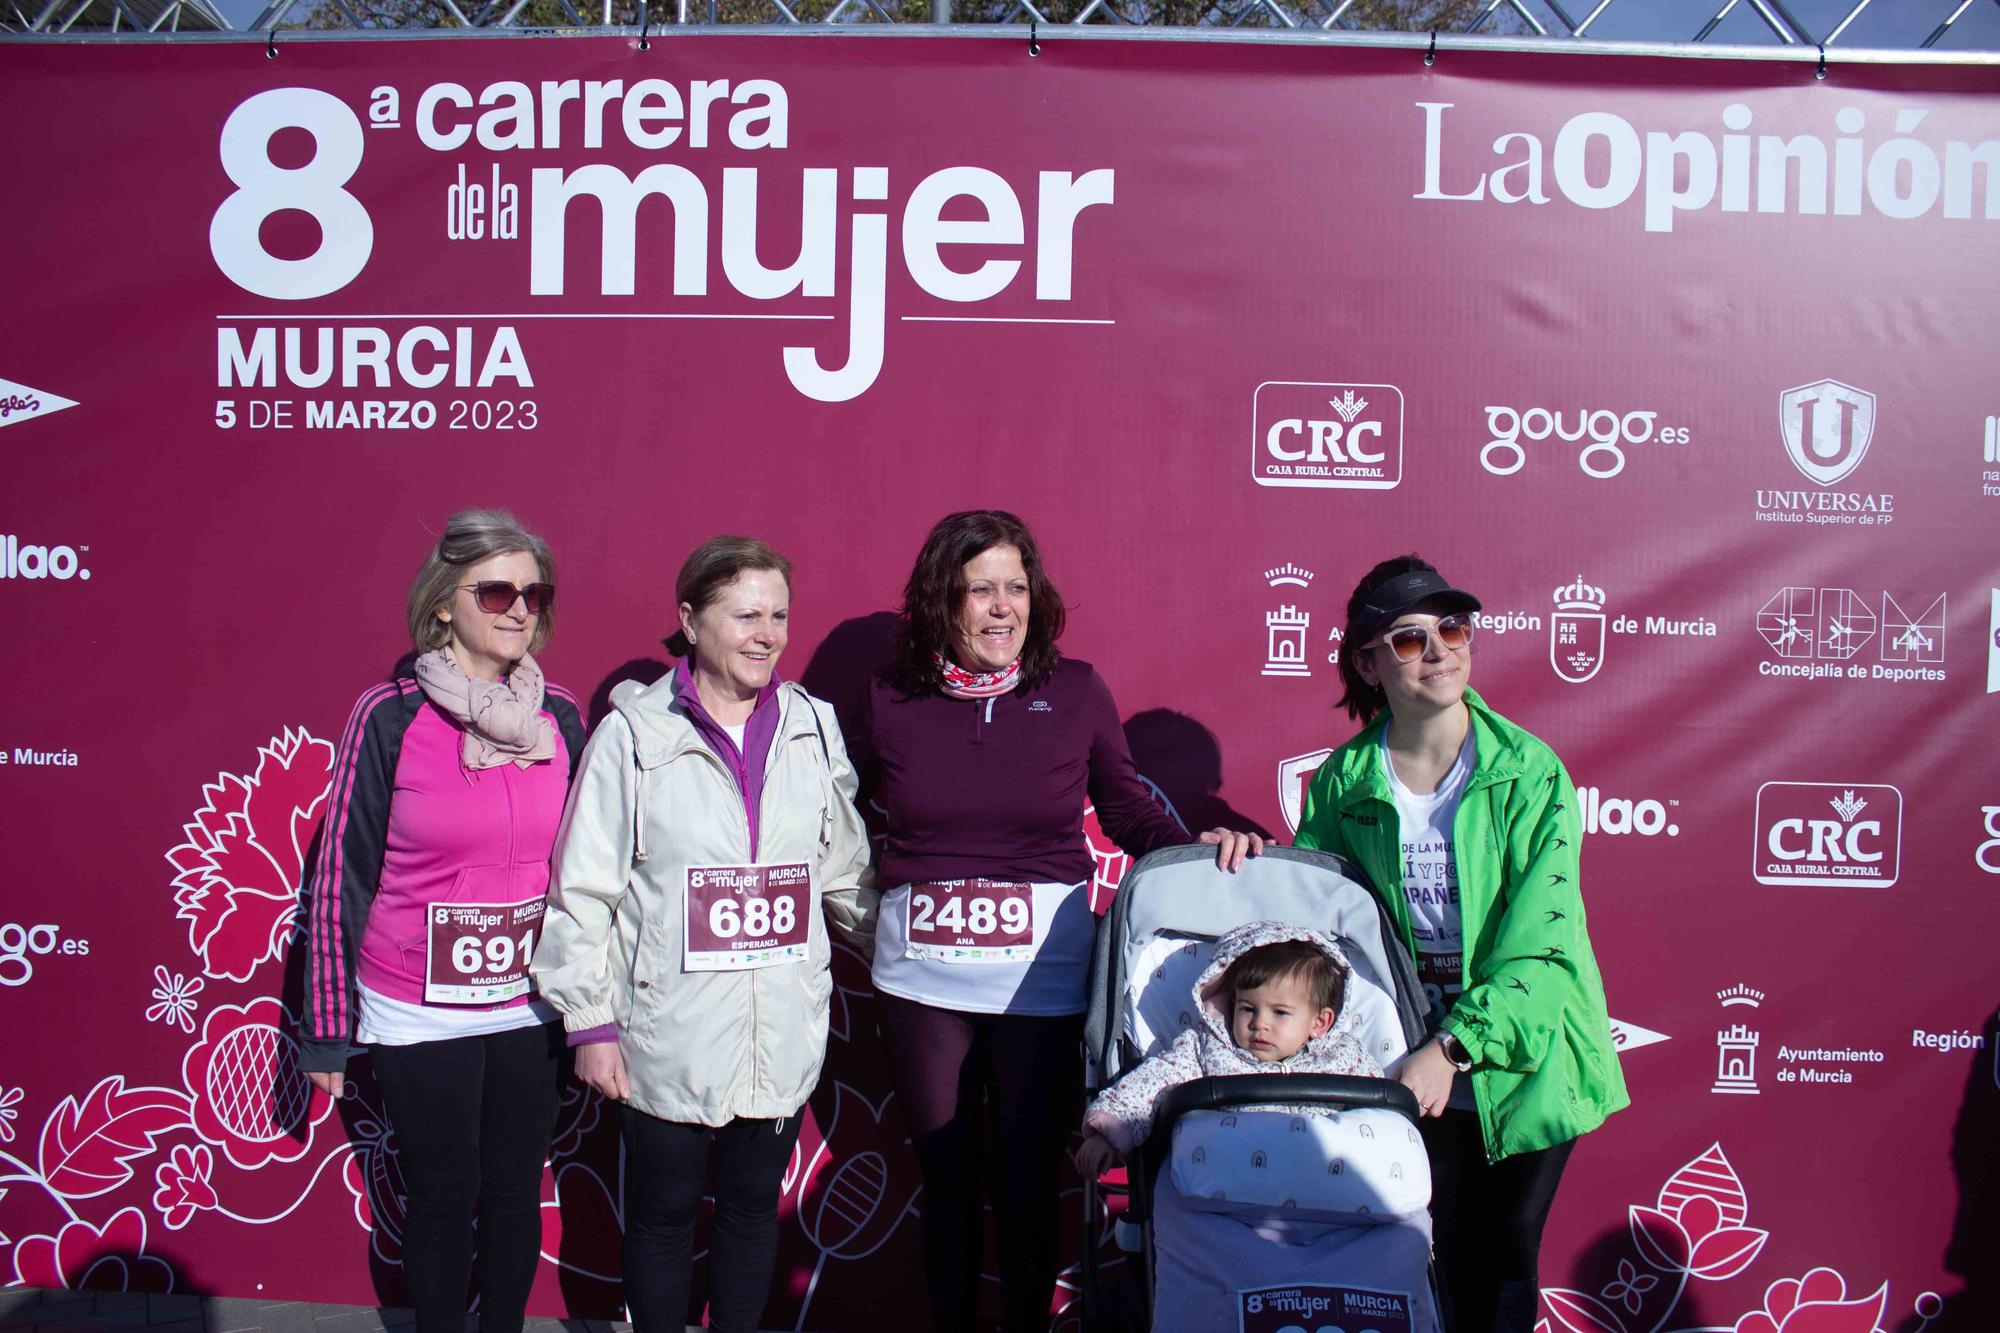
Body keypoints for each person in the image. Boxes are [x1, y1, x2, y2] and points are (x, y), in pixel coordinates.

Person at [847, 508, 1263, 1332]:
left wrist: (1191, 850)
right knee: (950, 1175)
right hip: (922, 976)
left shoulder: (1073, 691)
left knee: (1030, 1177)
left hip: (1042, 976)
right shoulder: (890, 697)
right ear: (942, 600)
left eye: (1016, 586)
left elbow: (1124, 804)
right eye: (980, 590)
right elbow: (834, 811)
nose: (1003, 607)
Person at [530, 536, 875, 1333]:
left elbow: (844, 871)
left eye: (780, 615)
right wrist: (590, 1021)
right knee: (662, 1215)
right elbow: (583, 888)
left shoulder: (813, 728)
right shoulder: (634, 735)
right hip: (668, 1031)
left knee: (754, 1212)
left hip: (778, 1029)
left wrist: (911, 942)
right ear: (690, 619)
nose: (768, 634)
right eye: (746, 614)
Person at [1292, 555, 1629, 1333]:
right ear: (1369, 664)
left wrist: (1453, 1046)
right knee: (1423, 1257)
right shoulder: (1343, 780)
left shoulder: (1528, 771)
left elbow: (1543, 943)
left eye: (1451, 628)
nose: (1439, 650)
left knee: (1504, 1253)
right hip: (1404, 1061)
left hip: (1523, 1055)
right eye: (1409, 640)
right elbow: (1315, 916)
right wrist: (1245, 863)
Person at [299, 509, 587, 1333]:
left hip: (529, 1002)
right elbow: (342, 876)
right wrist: (326, 1030)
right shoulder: (388, 715)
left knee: (511, 1190)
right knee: (441, 1191)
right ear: (443, 602)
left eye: (535, 592)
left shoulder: (560, 717)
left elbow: (587, 876)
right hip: (416, 1004)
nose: (520, 607)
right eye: (497, 589)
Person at [1073, 923, 1382, 1177]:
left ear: (1320, 1021)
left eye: (1280, 1013)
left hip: (1326, 1189)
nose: (1259, 1024)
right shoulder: (1206, 1048)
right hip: (1227, 1190)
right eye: (1248, 1008)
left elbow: (1381, 1113)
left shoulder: (1346, 1057)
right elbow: (1154, 1083)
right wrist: (1109, 1132)